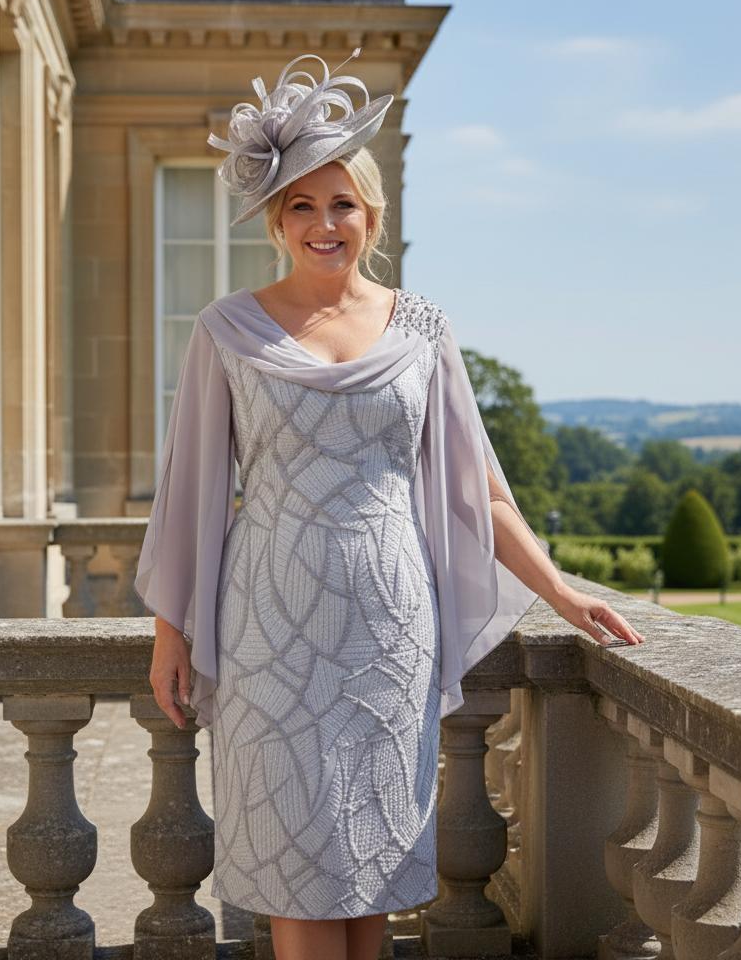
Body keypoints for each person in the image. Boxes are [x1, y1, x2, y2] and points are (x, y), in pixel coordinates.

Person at [134, 50, 644, 960]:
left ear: (372, 215)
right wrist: (172, 634)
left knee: (370, 872)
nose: (324, 222)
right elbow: (191, 497)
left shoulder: (423, 329)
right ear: (275, 219)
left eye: (343, 204)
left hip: (386, 631)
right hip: (269, 628)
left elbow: (476, 491)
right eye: (302, 204)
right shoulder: (225, 330)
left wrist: (562, 592)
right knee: (297, 868)